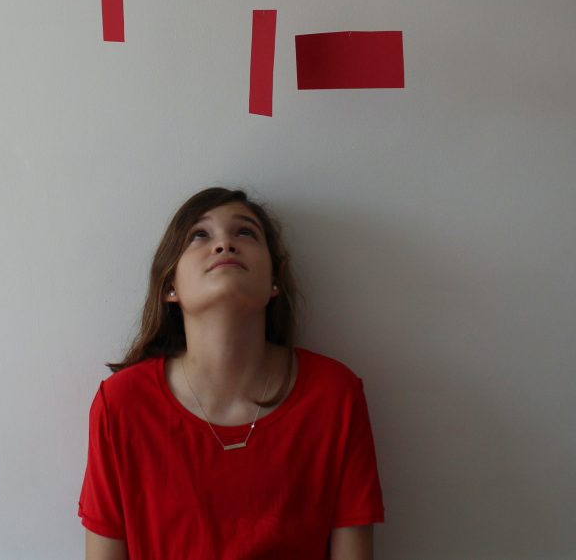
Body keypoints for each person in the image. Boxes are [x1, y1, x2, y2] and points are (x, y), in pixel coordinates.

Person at [79, 187, 385, 559]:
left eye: (245, 232)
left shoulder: (334, 395)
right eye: (199, 235)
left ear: (275, 282)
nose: (224, 243)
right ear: (170, 286)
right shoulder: (122, 405)